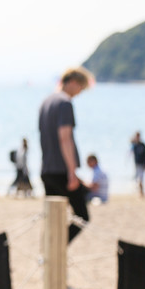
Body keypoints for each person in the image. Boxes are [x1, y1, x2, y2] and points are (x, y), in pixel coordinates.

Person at [39, 67, 92, 244]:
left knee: (54, 220)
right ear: (73, 83)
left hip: (47, 169)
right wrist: (72, 172)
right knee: (82, 216)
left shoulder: (46, 102)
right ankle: (57, 249)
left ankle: (52, 255)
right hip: (61, 170)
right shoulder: (64, 103)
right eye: (81, 88)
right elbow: (65, 138)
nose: (80, 93)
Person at [131, 131, 145, 197]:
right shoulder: (135, 145)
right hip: (137, 164)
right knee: (137, 179)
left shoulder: (142, 145)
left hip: (142, 164)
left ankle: (142, 193)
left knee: (141, 179)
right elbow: (130, 141)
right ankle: (140, 192)